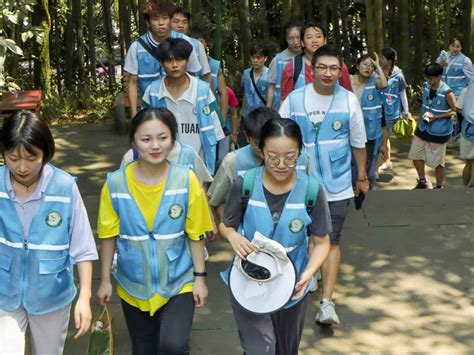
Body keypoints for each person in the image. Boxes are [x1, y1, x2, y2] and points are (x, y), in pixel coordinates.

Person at [97, 108, 212, 355]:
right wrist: (105, 280)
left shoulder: (186, 179)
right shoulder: (115, 183)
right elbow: (108, 236)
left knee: (173, 346)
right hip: (133, 282)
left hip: (178, 280)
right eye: (146, 139)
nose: (155, 146)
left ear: (173, 139)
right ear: (133, 142)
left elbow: (196, 233)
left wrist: (200, 279)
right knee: (143, 348)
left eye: (163, 137)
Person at [219, 117, 331, 355]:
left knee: (286, 349)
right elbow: (226, 225)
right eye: (272, 156)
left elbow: (322, 242)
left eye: (290, 157)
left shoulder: (311, 190)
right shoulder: (246, 183)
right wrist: (233, 237)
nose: (281, 164)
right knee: (261, 349)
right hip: (248, 281)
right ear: (261, 151)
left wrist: (309, 274)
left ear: (300, 152)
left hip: (292, 286)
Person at [279, 45, 369, 325]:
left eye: (333, 68)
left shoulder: (348, 101)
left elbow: (358, 141)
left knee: (330, 241)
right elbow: (278, 137)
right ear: (312, 70)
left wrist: (362, 175)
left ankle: (327, 304)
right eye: (322, 67)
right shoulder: (294, 101)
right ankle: (303, 280)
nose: (328, 73)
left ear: (340, 71)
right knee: (301, 236)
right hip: (298, 184)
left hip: (337, 185)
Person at [0, 111, 97, 354]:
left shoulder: (64, 187)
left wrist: (84, 297)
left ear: (46, 152)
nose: (22, 167)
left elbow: (83, 248)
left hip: (52, 295)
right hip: (4, 292)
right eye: (13, 158)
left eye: (31, 158)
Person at [142, 37, 225, 175]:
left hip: (198, 167)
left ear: (187, 61)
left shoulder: (203, 91)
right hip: (163, 168)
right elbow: (143, 131)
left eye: (179, 59)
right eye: (168, 60)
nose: (174, 65)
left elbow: (215, 131)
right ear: (161, 63)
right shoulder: (153, 92)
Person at [124, 0, 202, 117]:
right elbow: (133, 83)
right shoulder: (136, 47)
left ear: (170, 20)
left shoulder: (184, 41)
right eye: (155, 19)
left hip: (183, 108)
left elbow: (195, 75)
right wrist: (135, 115)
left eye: (165, 18)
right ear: (148, 22)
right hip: (150, 109)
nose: (161, 23)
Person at [208, 107, 279, 220]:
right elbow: (215, 201)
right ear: (247, 137)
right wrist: (231, 229)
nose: (264, 149)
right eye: (257, 143)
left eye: (268, 142)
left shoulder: (295, 158)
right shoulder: (233, 161)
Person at [408, 63, 456, 189]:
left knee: (438, 162)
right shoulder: (425, 86)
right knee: (415, 154)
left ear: (439, 77)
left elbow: (454, 111)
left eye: (431, 78)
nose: (428, 81)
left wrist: (436, 117)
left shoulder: (447, 92)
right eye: (427, 78)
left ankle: (439, 186)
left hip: (438, 132)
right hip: (422, 127)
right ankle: (423, 180)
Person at [279, 23, 352, 104]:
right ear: (302, 42)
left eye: (318, 36)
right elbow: (284, 100)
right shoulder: (292, 67)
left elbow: (348, 96)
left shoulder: (338, 65)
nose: (314, 41)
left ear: (325, 40)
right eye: (309, 37)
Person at [350, 53, 387, 188]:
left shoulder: (374, 80)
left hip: (371, 128)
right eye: (365, 64)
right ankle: (355, 185)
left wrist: (378, 67)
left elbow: (384, 84)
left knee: (370, 159)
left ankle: (369, 183)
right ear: (358, 65)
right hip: (352, 126)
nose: (368, 68)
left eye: (371, 66)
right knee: (354, 159)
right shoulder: (349, 80)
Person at [378, 47, 411, 172]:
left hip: (391, 111)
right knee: (383, 137)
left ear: (390, 60)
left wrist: (406, 112)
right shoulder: (378, 72)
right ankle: (387, 160)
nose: (380, 59)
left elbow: (403, 94)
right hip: (378, 109)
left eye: (382, 57)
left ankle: (385, 161)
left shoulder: (399, 75)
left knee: (385, 136)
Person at [190, 27, 230, 128]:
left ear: (205, 43)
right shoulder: (185, 65)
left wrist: (222, 119)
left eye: (201, 42)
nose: (199, 46)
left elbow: (224, 93)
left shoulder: (214, 64)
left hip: (211, 112)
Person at [266, 20, 303, 110]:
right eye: (291, 38)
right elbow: (272, 87)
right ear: (285, 39)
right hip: (281, 107)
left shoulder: (310, 57)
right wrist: (268, 109)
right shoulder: (278, 60)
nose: (295, 42)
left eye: (298, 37)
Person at [169, 7, 211, 83]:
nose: (181, 25)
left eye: (184, 22)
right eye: (176, 22)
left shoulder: (197, 45)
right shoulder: (162, 44)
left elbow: (206, 75)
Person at [241, 43, 270, 119]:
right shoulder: (246, 73)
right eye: (253, 57)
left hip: (263, 117)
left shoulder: (270, 75)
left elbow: (272, 98)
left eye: (259, 57)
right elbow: (245, 94)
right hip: (247, 116)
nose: (255, 60)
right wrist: (242, 112)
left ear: (265, 58)